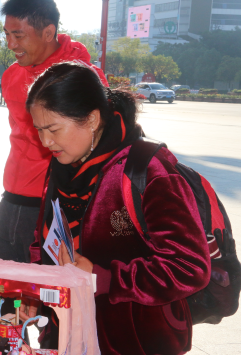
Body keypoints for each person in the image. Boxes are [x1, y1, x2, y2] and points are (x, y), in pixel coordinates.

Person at [22, 62, 210, 354]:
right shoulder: (61, 168)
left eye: (53, 129)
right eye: (38, 130)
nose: (45, 141)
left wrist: (101, 278)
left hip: (135, 339)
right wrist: (35, 290)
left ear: (93, 119)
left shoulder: (148, 170)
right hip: (66, 335)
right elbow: (44, 240)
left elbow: (189, 267)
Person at [0, 0, 108, 318]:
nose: (11, 44)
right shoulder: (12, 75)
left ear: (49, 33)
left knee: (56, 309)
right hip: (13, 198)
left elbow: (104, 145)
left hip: (58, 206)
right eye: (7, 35)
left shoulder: (80, 77)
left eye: (19, 35)